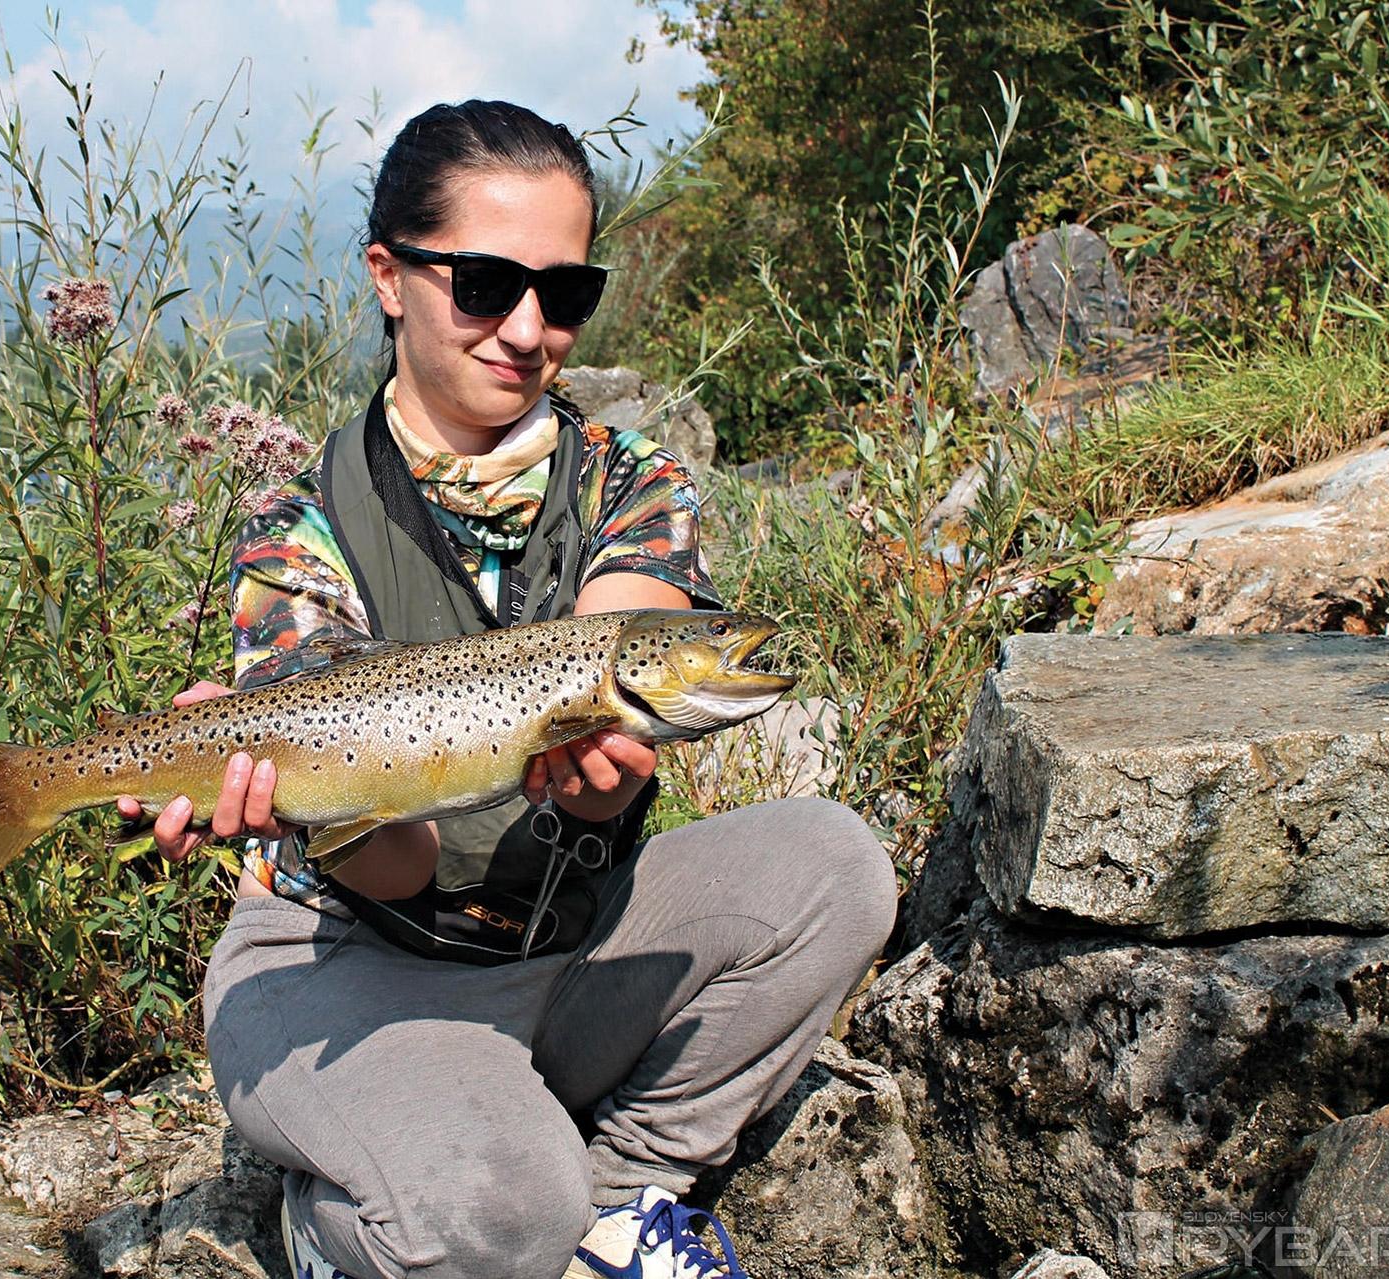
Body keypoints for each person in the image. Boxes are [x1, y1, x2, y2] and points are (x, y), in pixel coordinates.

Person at [117, 100, 897, 1279]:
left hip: (564, 932)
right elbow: (397, 867)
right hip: (345, 960)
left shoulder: (633, 482)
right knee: (500, 1217)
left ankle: (621, 1197)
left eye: (565, 294)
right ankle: (334, 1221)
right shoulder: (298, 530)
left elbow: (619, 637)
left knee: (836, 866)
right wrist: (296, 806)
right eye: (485, 285)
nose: (529, 331)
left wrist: (598, 785)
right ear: (389, 277)